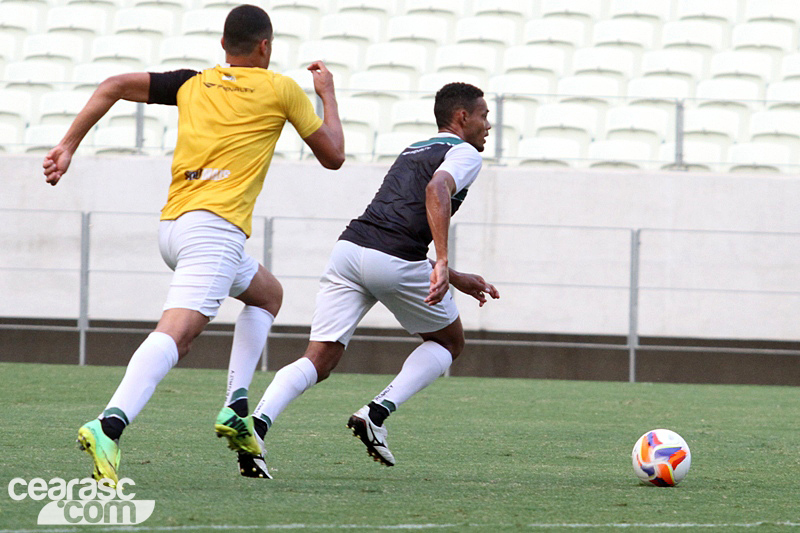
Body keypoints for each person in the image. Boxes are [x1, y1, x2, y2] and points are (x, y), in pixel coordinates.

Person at [41, 4, 344, 485]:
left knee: (267, 294)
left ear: (223, 46)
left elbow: (112, 86)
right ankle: (109, 423)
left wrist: (68, 145)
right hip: (216, 232)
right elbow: (333, 156)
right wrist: (327, 95)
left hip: (175, 227)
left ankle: (236, 407)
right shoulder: (282, 87)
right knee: (177, 334)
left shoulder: (192, 82)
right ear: (265, 47)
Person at [230, 82, 499, 479]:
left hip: (349, 251)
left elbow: (398, 219)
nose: (487, 125)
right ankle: (375, 413)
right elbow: (437, 188)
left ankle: (256, 427)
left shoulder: (414, 149)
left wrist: (452, 275)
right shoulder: (463, 154)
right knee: (448, 342)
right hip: (393, 260)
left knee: (317, 360)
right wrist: (442, 261)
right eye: (483, 116)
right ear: (462, 118)